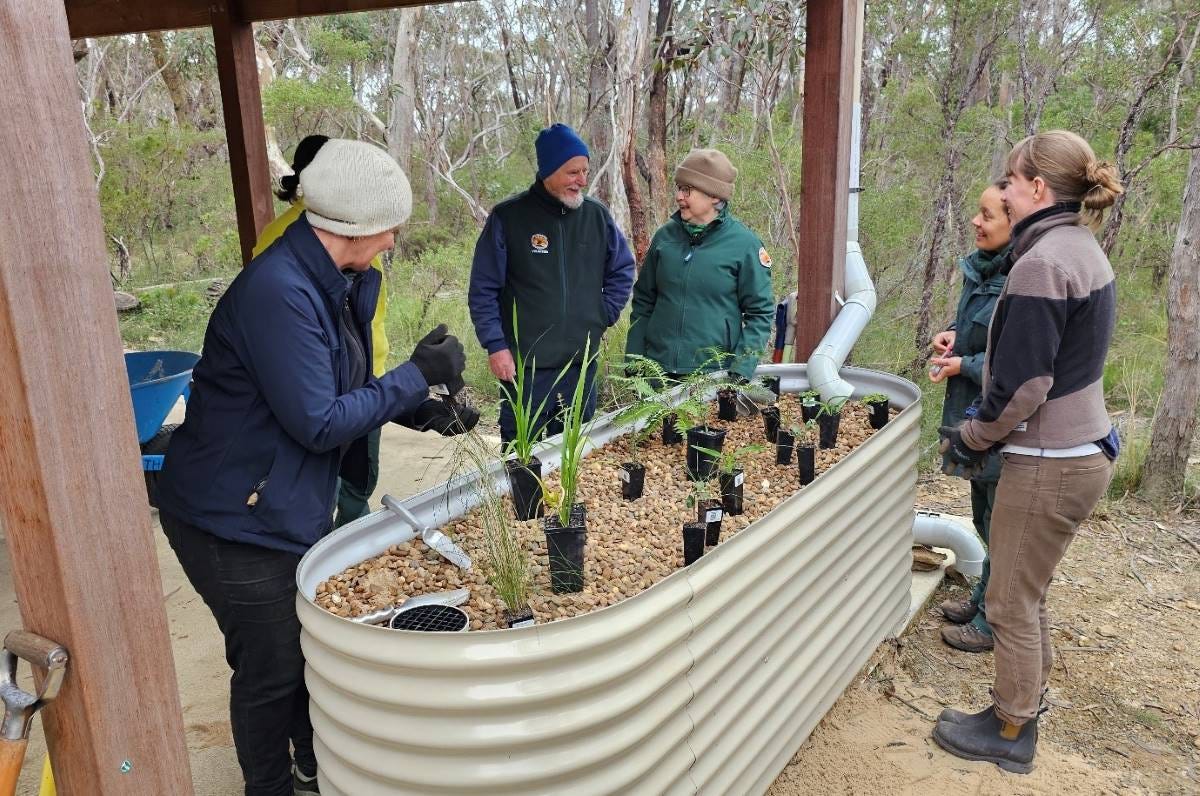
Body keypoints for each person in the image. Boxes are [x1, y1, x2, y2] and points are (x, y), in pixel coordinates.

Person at [155, 139, 471, 796]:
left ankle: (310, 768)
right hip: (231, 519)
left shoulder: (337, 282)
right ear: (354, 227)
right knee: (271, 673)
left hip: (274, 502)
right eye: (388, 227)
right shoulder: (278, 291)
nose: (392, 241)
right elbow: (317, 421)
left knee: (298, 657)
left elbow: (334, 388)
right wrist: (416, 374)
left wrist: (421, 409)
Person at [933, 130, 1122, 774]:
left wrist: (974, 434)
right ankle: (1018, 708)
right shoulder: (1080, 247)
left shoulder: (1041, 263)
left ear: (1038, 188)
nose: (1005, 192)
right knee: (1027, 592)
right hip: (1079, 449)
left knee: (1008, 600)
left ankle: (1010, 732)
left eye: (1010, 181)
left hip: (1051, 459)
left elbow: (1027, 384)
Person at [253, 135, 389, 527]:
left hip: (366, 375)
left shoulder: (352, 227)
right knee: (322, 478)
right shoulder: (283, 240)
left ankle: (353, 527)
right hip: (321, 386)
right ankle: (325, 548)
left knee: (360, 475)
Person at [468, 123, 635, 442]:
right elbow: (483, 289)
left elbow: (623, 269)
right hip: (525, 369)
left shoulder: (596, 217)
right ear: (549, 170)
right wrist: (496, 345)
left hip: (580, 367)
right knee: (522, 456)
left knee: (575, 456)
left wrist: (603, 313)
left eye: (585, 171)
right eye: (573, 172)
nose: (582, 180)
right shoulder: (509, 217)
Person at [929, 180, 1012, 654]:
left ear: (1013, 222)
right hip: (973, 416)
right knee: (982, 514)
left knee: (1004, 526)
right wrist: (951, 336)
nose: (977, 222)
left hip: (1004, 421)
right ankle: (982, 596)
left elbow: (1018, 364)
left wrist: (965, 364)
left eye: (987, 215)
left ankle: (992, 620)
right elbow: (977, 330)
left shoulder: (1023, 278)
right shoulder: (980, 270)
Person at [625, 148, 774, 382]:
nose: (679, 197)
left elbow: (760, 313)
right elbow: (644, 300)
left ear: (714, 196)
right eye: (679, 188)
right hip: (655, 373)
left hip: (712, 376)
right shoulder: (665, 237)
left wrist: (741, 368)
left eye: (687, 190)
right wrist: (634, 359)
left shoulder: (744, 245)